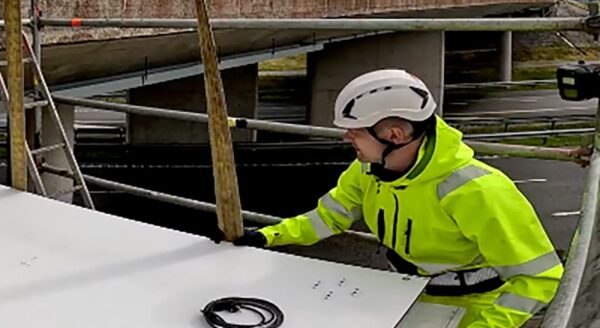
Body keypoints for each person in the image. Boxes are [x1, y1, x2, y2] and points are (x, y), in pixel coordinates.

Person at [229, 69, 561, 327]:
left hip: (470, 308)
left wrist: (482, 327)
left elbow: (539, 278)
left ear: (394, 135)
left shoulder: (476, 190)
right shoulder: (368, 169)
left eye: (355, 130)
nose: (346, 137)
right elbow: (329, 218)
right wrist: (266, 237)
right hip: (400, 292)